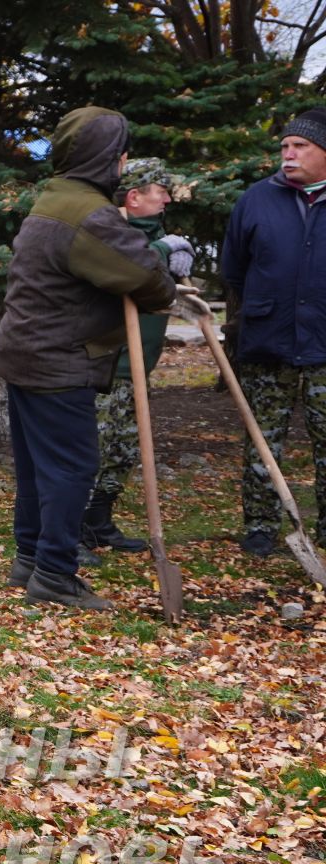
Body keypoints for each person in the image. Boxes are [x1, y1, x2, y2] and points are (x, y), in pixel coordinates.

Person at [0, 106, 177, 610]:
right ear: (110, 159)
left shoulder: (55, 198)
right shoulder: (89, 214)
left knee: (37, 468)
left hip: (25, 353)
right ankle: (53, 572)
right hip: (56, 359)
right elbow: (144, 278)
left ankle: (29, 558)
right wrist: (165, 265)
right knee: (73, 468)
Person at [221, 106, 326, 555]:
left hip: (324, 341)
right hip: (268, 339)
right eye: (284, 146)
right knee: (263, 438)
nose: (288, 154)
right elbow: (235, 268)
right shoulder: (256, 199)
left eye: (300, 146)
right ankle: (261, 527)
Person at [82, 157, 196, 556]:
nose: (167, 199)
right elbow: (125, 268)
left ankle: (99, 521)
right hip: (107, 365)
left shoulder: (152, 234)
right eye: (160, 192)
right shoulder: (110, 231)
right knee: (95, 449)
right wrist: (162, 251)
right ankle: (72, 528)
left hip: (137, 365)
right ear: (134, 196)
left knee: (123, 449)